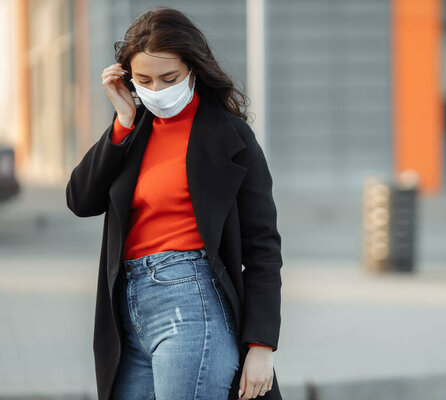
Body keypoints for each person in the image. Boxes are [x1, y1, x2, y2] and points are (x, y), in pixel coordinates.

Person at [66, 6, 283, 400]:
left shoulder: (231, 138)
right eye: (144, 80)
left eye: (170, 78)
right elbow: (80, 200)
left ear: (194, 70)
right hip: (127, 318)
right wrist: (122, 121)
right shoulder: (133, 131)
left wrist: (261, 344)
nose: (158, 90)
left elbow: (263, 245)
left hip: (192, 305)